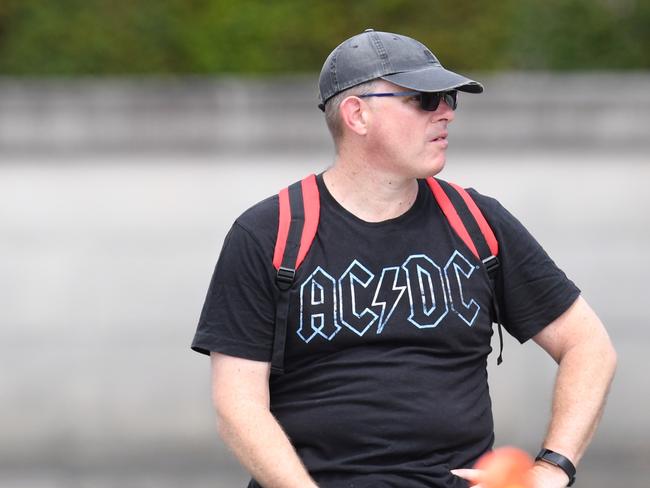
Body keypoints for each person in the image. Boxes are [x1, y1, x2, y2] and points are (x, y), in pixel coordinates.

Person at [191, 29, 616, 488]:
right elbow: (238, 405)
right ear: (358, 114)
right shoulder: (269, 233)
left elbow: (589, 346)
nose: (448, 112)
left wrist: (552, 469)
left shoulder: (477, 222)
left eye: (449, 97)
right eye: (425, 99)